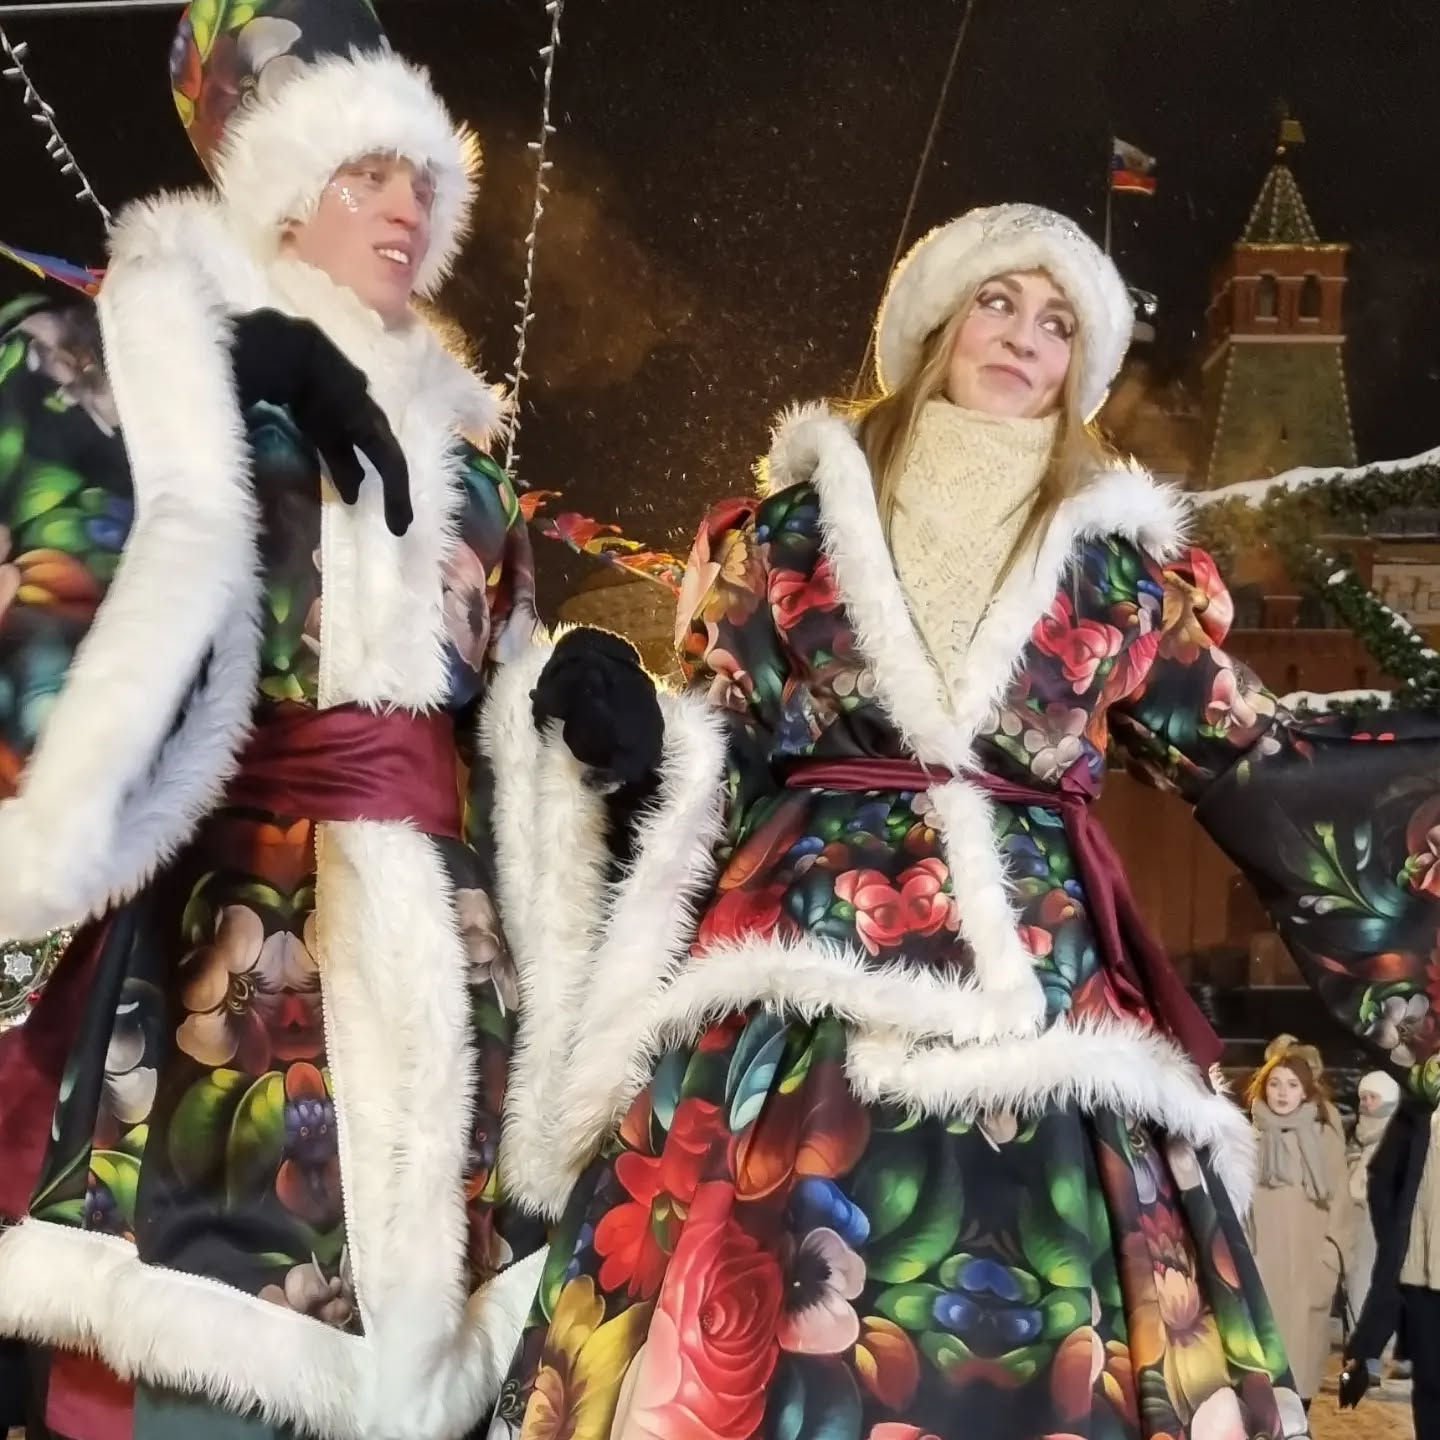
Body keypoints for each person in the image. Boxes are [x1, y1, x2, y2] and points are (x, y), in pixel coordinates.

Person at [484, 203, 1380, 1440]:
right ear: (936, 323)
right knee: (771, 1300)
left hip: (1043, 997)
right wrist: (637, 744)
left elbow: (1252, 754)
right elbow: (719, 747)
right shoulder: (785, 536)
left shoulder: (1121, 574)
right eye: (998, 302)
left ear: (1080, 365)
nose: (1023, 336)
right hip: (802, 969)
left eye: (1057, 322)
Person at [0, 2, 677, 1437]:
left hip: (450, 950)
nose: (406, 204)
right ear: (276, 182)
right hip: (241, 929)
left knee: (455, 1344)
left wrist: (595, 735)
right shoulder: (126, 361)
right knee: (225, 1345)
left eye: (421, 174)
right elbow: (60, 560)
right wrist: (206, 367)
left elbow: (499, 713)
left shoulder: (473, 458)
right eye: (363, 172)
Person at [1245, 1043, 1350, 1411]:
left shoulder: (1324, 1137)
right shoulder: (1248, 1139)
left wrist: (1329, 1261)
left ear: (1306, 1091)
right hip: (1260, 1271)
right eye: (1275, 1084)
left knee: (1299, 1383)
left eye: (1292, 1085)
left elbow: (1342, 1205)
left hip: (1307, 1272)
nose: (1282, 1093)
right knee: (1260, 1384)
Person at [1341, 1096, 1440, 1439]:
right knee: (1431, 1388)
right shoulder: (1420, 1109)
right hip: (1420, 1277)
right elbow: (1382, 1175)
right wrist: (1397, 1236)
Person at [1346, 1070, 1400, 1374]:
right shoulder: (1359, 1135)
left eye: (1373, 1097)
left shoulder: (1398, 1135)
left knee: (1382, 1285)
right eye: (1363, 1098)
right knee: (1358, 1282)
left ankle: (1379, 1353)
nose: (1366, 1104)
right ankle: (1362, 1357)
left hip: (1385, 1219)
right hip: (1357, 1214)